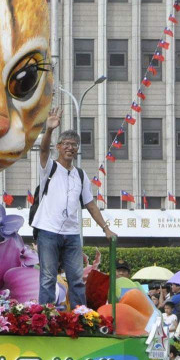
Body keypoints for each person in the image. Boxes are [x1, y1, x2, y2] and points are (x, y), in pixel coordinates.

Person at [33, 107, 118, 310]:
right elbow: (43, 150)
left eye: (74, 145)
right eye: (67, 144)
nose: (70, 148)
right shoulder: (50, 167)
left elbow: (90, 204)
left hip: (72, 234)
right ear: (59, 147)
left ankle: (81, 318)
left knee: (77, 280)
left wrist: (106, 228)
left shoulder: (80, 175)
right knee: (47, 277)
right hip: (48, 230)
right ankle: (45, 318)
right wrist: (50, 129)